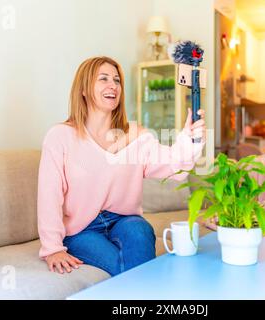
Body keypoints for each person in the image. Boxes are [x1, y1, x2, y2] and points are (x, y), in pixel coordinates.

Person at [37, 56, 206, 276]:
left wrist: (189, 138)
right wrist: (53, 249)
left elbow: (175, 166)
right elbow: (48, 195)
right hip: (81, 229)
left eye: (117, 80)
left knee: (140, 231)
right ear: (84, 89)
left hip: (124, 220)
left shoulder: (136, 136)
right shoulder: (60, 136)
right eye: (103, 79)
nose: (113, 85)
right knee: (127, 267)